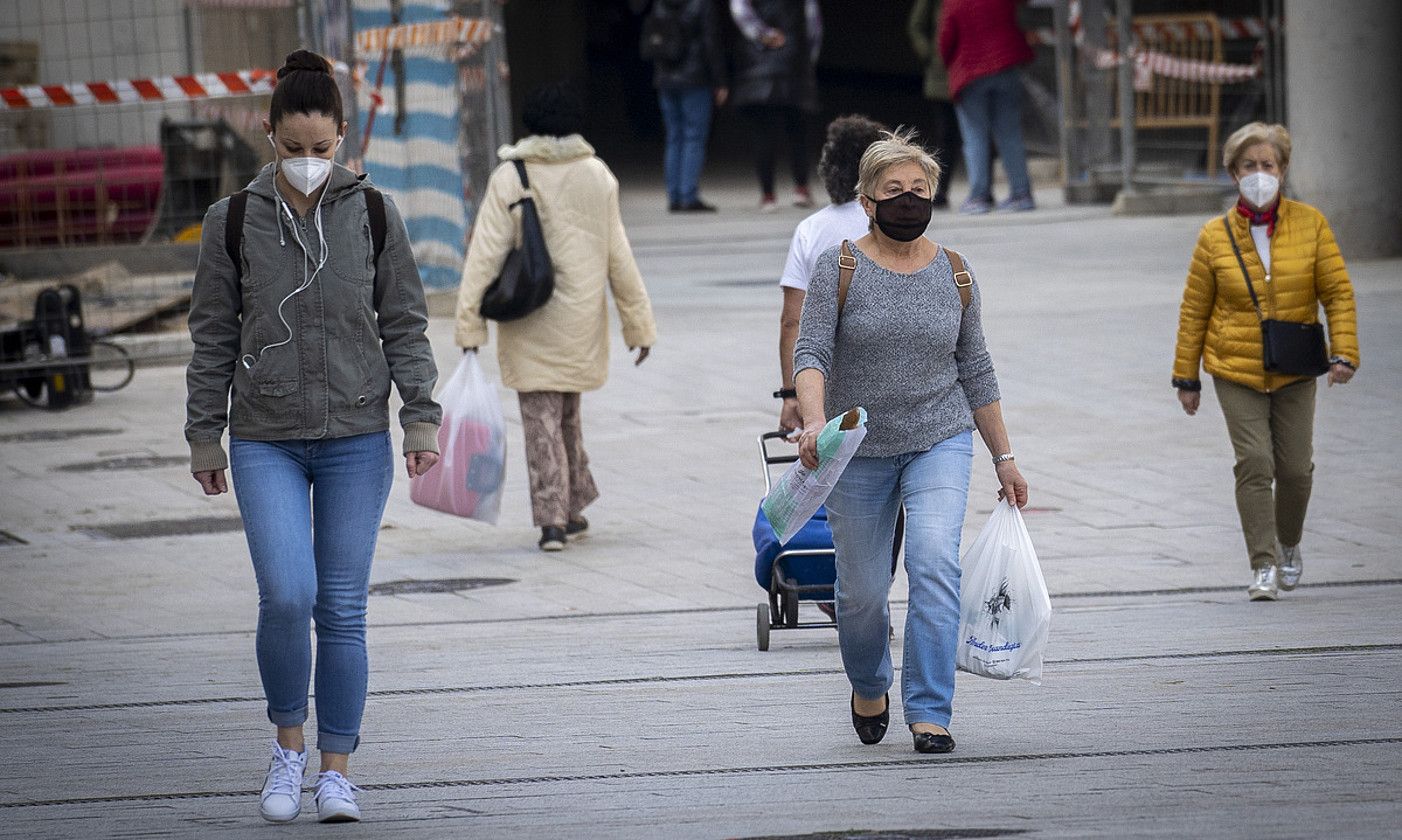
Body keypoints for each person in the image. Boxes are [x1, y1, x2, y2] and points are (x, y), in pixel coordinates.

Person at [184, 50, 441, 824]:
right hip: (264, 435)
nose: (306, 163)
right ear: (268, 138)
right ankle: (286, 749)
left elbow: (406, 323)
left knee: (342, 605)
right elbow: (210, 335)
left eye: (320, 149)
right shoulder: (231, 222)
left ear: (342, 139)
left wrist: (419, 418)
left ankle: (337, 770)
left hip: (356, 435)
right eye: (291, 148)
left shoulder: (373, 214)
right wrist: (205, 435)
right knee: (287, 594)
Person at [793, 129, 1028, 754]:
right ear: (866, 200)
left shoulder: (955, 271)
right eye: (892, 191)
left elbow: (976, 367)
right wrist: (813, 421)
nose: (907, 201)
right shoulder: (838, 266)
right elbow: (811, 349)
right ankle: (869, 682)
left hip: (939, 438)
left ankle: (930, 710)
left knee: (933, 563)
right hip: (856, 448)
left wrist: (1005, 457)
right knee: (863, 591)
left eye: (918, 190)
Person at [454, 82, 657, 552]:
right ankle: (572, 505)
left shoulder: (511, 176)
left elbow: (484, 254)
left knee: (541, 420)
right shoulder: (597, 174)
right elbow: (618, 255)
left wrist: (470, 324)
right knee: (565, 415)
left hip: (528, 318)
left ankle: (552, 519)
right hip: (581, 319)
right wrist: (637, 324)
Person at [1172, 122, 1359, 602]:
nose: (1260, 175)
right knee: (1255, 463)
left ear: (1283, 170)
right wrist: (1186, 376)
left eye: (1268, 166)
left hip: (1296, 366)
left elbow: (1336, 292)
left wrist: (1344, 352)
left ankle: (1289, 544)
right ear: (1234, 173)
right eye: (1249, 166)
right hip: (1235, 368)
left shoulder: (1311, 223)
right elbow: (1194, 309)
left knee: (1295, 469)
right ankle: (1263, 564)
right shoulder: (1213, 237)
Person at [776, 114, 888, 435]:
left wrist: (791, 394)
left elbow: (791, 321)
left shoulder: (810, 230)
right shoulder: (896, 223)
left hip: (828, 382)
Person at [938, 0, 1035, 214]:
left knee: (975, 136)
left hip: (970, 70)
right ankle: (1022, 193)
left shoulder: (954, 2)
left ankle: (979, 197)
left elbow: (946, 37)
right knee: (1010, 133)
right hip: (1006, 66)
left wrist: (949, 64)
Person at [729, 0, 821, 212]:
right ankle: (801, 189)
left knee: (763, 133)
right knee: (797, 130)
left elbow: (739, 9)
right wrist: (807, 59)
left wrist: (763, 34)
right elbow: (813, 25)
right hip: (795, 64)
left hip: (758, 66)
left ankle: (768, 195)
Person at [642, 0, 729, 212]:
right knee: (693, 136)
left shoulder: (661, 3)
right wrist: (720, 80)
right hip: (695, 78)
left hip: (665, 76)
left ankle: (674, 196)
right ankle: (688, 195)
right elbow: (711, 41)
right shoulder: (702, 4)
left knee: (674, 136)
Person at [907, 0, 962, 208]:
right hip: (943, 74)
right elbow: (916, 25)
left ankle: (983, 189)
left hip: (971, 70)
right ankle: (941, 189)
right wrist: (930, 54)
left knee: (979, 134)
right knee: (946, 134)